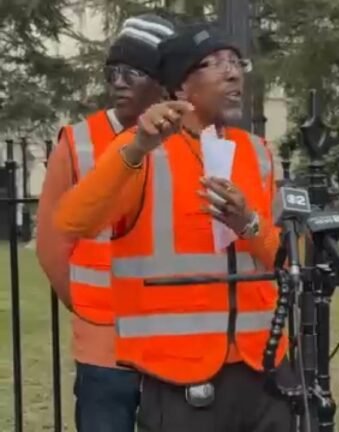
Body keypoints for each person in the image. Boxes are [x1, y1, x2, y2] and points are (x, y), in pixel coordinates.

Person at [53, 22, 292, 432]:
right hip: (181, 377)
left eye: (236, 62)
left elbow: (285, 261)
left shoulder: (257, 152)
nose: (233, 73)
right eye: (215, 64)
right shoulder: (142, 151)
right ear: (181, 88)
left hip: (264, 370)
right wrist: (136, 148)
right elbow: (73, 220)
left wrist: (248, 224)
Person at [35, 14, 175, 432]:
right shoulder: (78, 142)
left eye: (133, 71)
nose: (118, 82)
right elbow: (52, 246)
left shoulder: (190, 141)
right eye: (113, 71)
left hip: (177, 344)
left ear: (163, 81)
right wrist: (91, 312)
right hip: (104, 349)